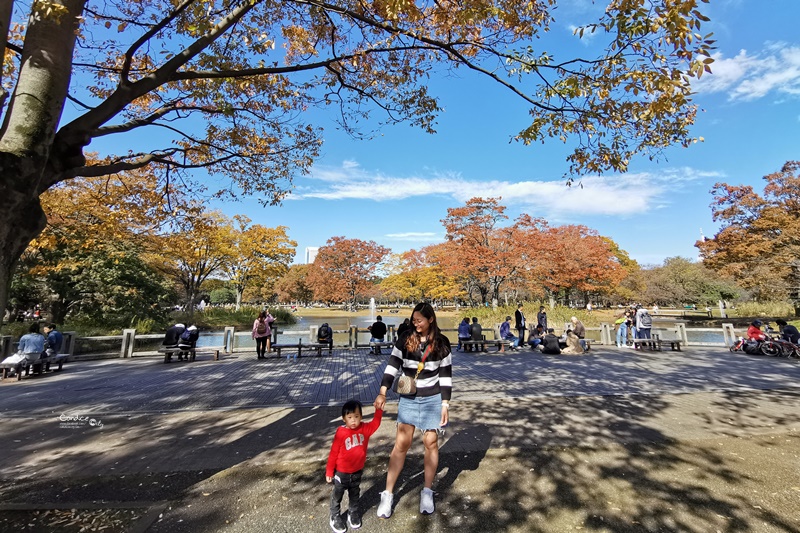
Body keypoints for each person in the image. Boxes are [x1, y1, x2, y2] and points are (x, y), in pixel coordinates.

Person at [374, 302, 452, 519]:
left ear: (430, 320)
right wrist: (382, 391)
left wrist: (445, 404)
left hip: (433, 399)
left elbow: (446, 376)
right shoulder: (405, 338)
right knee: (401, 444)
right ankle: (388, 494)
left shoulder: (442, 343)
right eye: (413, 319)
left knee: (431, 442)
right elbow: (392, 365)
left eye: (419, 320)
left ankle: (427, 491)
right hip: (408, 398)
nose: (415, 323)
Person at [326, 399, 383, 532]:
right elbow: (333, 453)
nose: (353, 420)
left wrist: (379, 410)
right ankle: (334, 516)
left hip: (357, 471)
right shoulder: (341, 432)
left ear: (361, 417)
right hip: (341, 473)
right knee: (337, 495)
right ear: (344, 418)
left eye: (356, 417)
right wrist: (329, 471)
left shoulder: (365, 429)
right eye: (349, 417)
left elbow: (376, 423)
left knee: (354, 494)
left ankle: (353, 513)